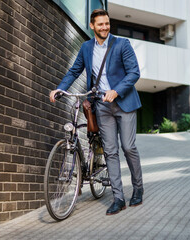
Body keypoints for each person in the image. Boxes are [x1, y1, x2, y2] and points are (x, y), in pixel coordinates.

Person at [49, 9, 143, 215]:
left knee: (128, 147)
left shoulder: (121, 45)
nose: (104, 27)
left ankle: (138, 188)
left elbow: (134, 72)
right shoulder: (85, 48)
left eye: (107, 23)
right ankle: (119, 198)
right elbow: (75, 71)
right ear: (92, 26)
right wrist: (60, 88)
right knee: (110, 151)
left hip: (124, 103)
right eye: (100, 24)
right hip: (101, 105)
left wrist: (116, 91)